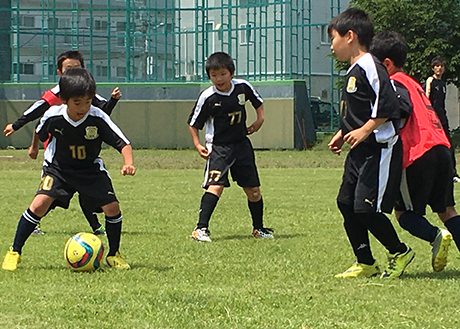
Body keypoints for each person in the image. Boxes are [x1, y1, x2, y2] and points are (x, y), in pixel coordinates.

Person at [1, 68, 135, 271]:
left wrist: (128, 162)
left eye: (88, 102)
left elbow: (123, 143)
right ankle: (14, 252)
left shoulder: (97, 118)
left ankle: (114, 254)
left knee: (112, 208)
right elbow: (39, 130)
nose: (83, 107)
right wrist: (34, 147)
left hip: (90, 170)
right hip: (59, 170)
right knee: (38, 205)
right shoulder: (53, 116)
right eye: (77, 103)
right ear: (64, 100)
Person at [327, 8, 414, 279]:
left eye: (333, 38)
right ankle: (365, 262)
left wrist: (365, 130)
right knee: (345, 203)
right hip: (359, 149)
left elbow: (387, 105)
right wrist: (343, 132)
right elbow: (360, 109)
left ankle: (399, 251)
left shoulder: (370, 65)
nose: (331, 45)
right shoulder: (354, 69)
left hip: (379, 148)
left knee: (365, 207)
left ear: (350, 36)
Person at [3, 50, 122, 235]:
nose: (72, 72)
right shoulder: (56, 94)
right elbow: (36, 111)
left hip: (82, 153)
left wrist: (113, 101)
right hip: (56, 155)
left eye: (77, 68)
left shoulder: (85, 92)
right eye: (68, 69)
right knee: (48, 196)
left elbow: (104, 111)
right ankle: (33, 223)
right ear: (59, 72)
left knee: (85, 191)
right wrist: (17, 126)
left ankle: (96, 227)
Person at [370, 31, 460, 272]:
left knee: (403, 213)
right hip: (441, 148)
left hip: (419, 152)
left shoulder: (393, 83)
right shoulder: (414, 83)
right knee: (447, 210)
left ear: (386, 64)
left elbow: (401, 108)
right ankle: (445, 233)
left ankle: (435, 236)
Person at [187, 51, 273, 242]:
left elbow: (258, 103)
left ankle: (258, 229)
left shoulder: (242, 87)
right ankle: (200, 229)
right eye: (214, 75)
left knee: (254, 190)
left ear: (232, 73)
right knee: (215, 186)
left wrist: (260, 120)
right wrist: (197, 144)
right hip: (219, 148)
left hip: (242, 145)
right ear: (209, 76)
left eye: (223, 74)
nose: (219, 79)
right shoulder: (207, 97)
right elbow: (193, 123)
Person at [424, 56, 459, 182]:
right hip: (433, 119)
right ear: (433, 68)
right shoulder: (430, 81)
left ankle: (453, 173)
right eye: (437, 66)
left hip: (443, 117)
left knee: (449, 144)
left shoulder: (443, 84)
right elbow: (426, 99)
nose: (439, 68)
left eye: (441, 66)